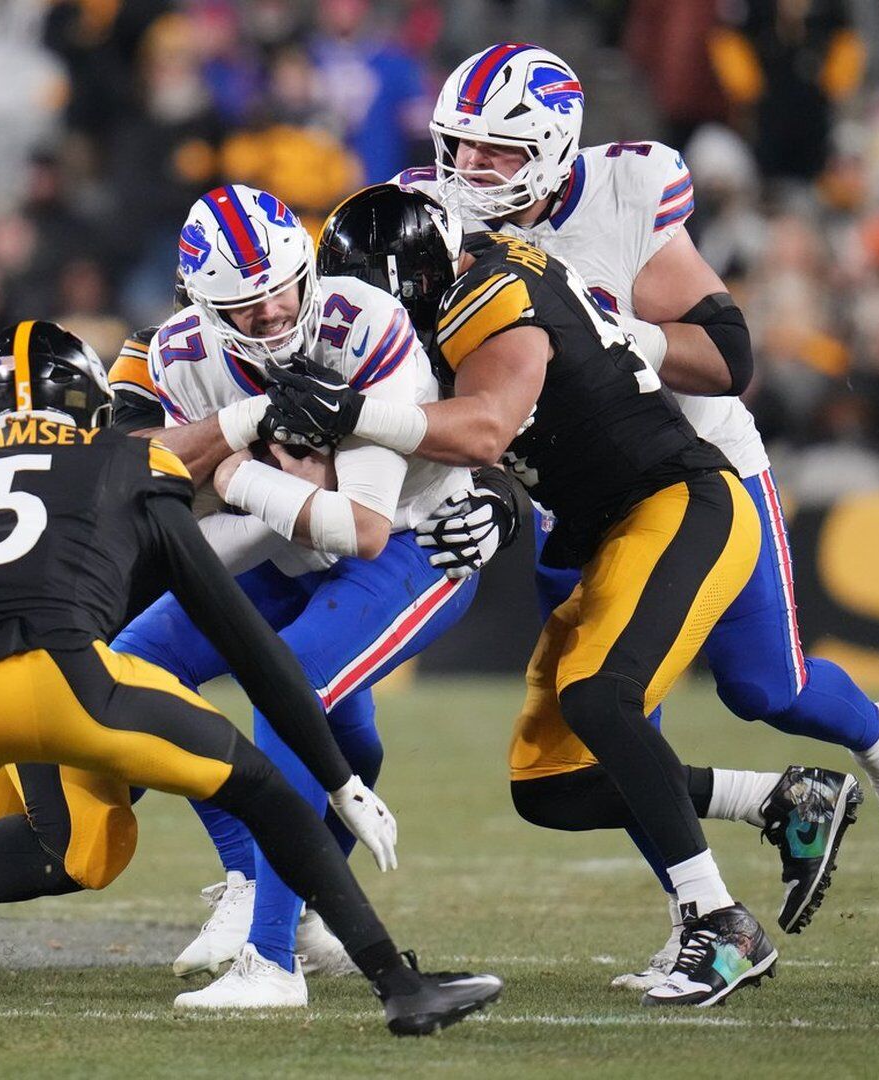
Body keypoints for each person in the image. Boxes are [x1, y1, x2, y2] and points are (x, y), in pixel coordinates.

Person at [0, 320, 502, 1035]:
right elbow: (244, 640)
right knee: (173, 816)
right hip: (68, 682)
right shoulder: (128, 465)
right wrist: (337, 780)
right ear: (89, 407)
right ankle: (396, 986)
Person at [388, 43, 879, 988]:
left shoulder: (621, 194)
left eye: (496, 152)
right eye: (459, 148)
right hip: (572, 484)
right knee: (611, 715)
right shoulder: (430, 219)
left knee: (764, 688)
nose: (470, 172)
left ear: (556, 147)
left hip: (691, 469)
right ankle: (704, 914)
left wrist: (622, 331)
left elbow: (729, 355)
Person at [264, 188, 844, 1007]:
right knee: (552, 784)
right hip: (607, 526)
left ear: (418, 281)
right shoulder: (452, 296)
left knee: (601, 697)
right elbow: (490, 444)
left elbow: (491, 425)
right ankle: (780, 799)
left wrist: (354, 411)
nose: (366, 319)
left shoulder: (489, 292)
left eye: (378, 298)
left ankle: (720, 923)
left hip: (677, 501)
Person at [121, 183, 481, 1009]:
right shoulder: (179, 352)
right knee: (131, 672)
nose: (276, 314)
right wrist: (243, 442)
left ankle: (273, 960)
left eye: (285, 287)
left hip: (417, 541)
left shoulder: (366, 322)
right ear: (205, 307)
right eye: (247, 306)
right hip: (286, 545)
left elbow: (358, 528)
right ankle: (254, 878)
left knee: (294, 684)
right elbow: (168, 487)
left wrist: (236, 465)